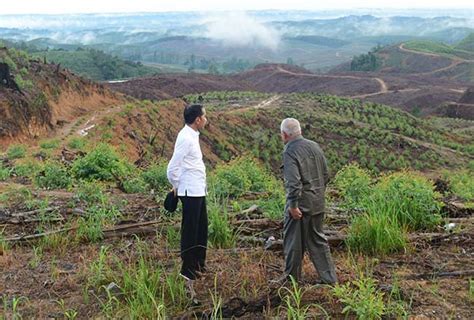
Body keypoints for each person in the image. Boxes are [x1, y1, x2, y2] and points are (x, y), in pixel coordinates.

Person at [275, 117, 337, 285]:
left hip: (300, 206)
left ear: (284, 135)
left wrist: (293, 205)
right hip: (317, 203)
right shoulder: (314, 146)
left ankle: (291, 280)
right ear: (299, 131)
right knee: (318, 241)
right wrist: (317, 195)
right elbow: (325, 175)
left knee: (293, 243)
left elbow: (293, 183)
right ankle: (330, 279)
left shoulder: (290, 151)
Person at [167, 104, 208, 298]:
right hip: (189, 191)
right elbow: (173, 167)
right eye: (204, 116)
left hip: (198, 190)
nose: (206, 120)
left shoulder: (192, 136)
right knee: (190, 230)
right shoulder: (185, 137)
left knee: (201, 228)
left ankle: (198, 265)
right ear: (198, 119)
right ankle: (187, 270)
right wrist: (176, 186)